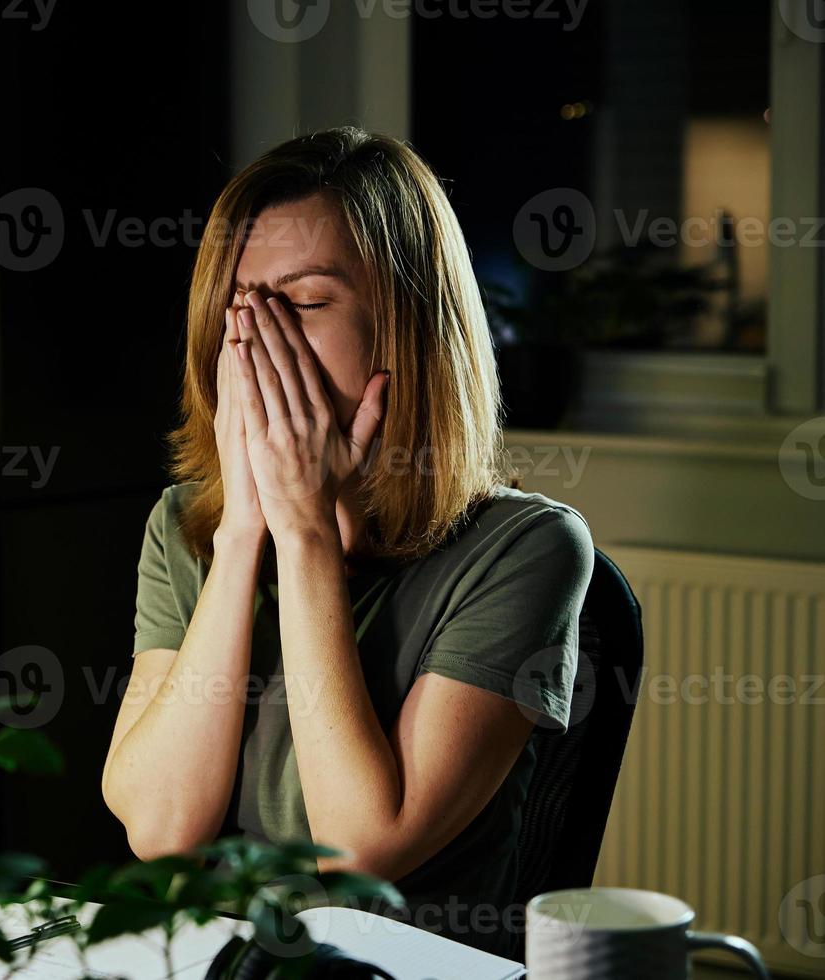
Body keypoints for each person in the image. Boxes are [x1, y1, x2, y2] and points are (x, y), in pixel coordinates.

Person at [100, 127, 593, 956]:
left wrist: (302, 536)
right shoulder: (185, 527)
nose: (257, 338)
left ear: (406, 329)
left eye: (304, 302)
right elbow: (160, 829)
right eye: (240, 305)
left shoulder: (529, 550)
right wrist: (246, 533)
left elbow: (359, 853)